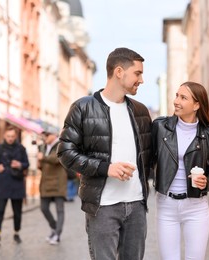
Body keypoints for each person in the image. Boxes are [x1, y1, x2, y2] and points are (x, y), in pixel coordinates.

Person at [57, 47, 152, 260]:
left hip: (136, 206)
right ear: (119, 72)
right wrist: (106, 168)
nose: (142, 80)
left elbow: (152, 155)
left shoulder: (141, 112)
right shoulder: (83, 107)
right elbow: (65, 152)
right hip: (102, 207)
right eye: (138, 73)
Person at [152, 81, 209, 260]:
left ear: (197, 105)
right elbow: (147, 160)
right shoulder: (160, 127)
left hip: (196, 207)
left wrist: (206, 182)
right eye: (176, 95)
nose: (176, 101)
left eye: (183, 97)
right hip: (166, 205)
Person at [0, 126, 29, 245]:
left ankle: (16, 233)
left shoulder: (21, 148)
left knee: (17, 212)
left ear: (15, 136)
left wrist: (20, 164)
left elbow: (27, 163)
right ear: (5, 136)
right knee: (0, 210)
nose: (10, 139)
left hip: (17, 184)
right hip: (3, 184)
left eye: (12, 136)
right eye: (8, 136)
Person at [37, 126, 67, 245]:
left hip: (58, 182)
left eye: (47, 134)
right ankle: (55, 228)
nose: (45, 137)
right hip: (46, 182)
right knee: (44, 208)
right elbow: (42, 165)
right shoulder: (44, 147)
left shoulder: (62, 145)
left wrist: (43, 157)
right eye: (45, 135)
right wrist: (39, 163)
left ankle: (57, 235)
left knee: (60, 210)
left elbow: (56, 159)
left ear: (54, 135)